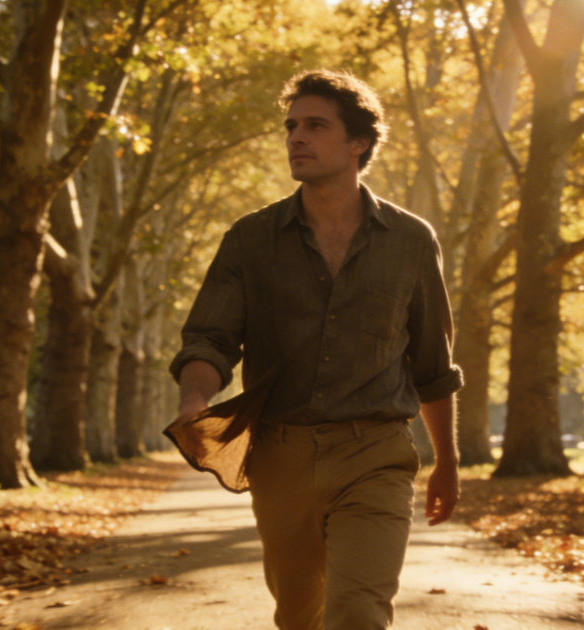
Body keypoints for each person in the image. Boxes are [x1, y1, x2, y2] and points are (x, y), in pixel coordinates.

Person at [167, 69, 463, 630]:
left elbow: (431, 364)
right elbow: (210, 338)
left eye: (315, 126)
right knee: (300, 617)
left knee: (357, 614)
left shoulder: (411, 241)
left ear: (359, 142)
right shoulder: (250, 239)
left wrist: (447, 463)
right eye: (291, 126)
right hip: (281, 458)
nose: (296, 137)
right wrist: (195, 396)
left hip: (374, 453)